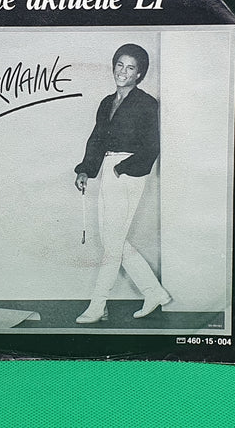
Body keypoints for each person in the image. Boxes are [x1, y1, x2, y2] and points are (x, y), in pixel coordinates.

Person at [74, 43, 172, 324]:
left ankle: (97, 305)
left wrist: (122, 169)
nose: (123, 72)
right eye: (120, 65)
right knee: (113, 240)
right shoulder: (107, 102)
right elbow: (97, 139)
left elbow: (152, 146)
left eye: (130, 68)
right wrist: (85, 170)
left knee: (112, 243)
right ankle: (154, 293)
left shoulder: (146, 103)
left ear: (139, 74)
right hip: (108, 168)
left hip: (127, 173)